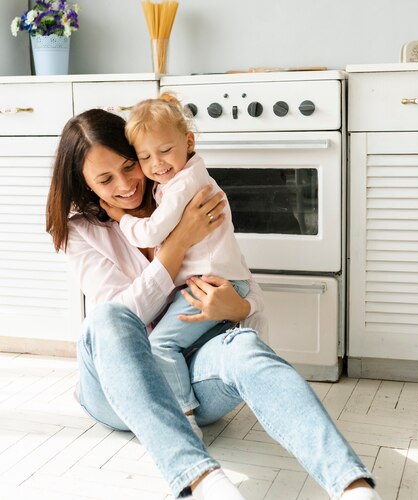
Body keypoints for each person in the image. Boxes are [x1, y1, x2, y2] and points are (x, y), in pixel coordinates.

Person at [45, 108, 381, 500]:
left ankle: (352, 486)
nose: (126, 184)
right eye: (105, 179)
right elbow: (124, 324)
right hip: (117, 391)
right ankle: (202, 481)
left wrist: (237, 309)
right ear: (84, 185)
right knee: (107, 317)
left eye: (130, 165)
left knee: (246, 347)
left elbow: (239, 280)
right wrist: (176, 248)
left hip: (193, 382)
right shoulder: (80, 232)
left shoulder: (177, 195)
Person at [98, 93, 251, 439]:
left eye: (165, 151)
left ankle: (185, 420)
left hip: (210, 285)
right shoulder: (183, 175)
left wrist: (120, 216)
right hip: (219, 281)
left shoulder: (182, 184)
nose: (157, 164)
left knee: (161, 346)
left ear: (188, 140)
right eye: (145, 157)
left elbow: (151, 231)